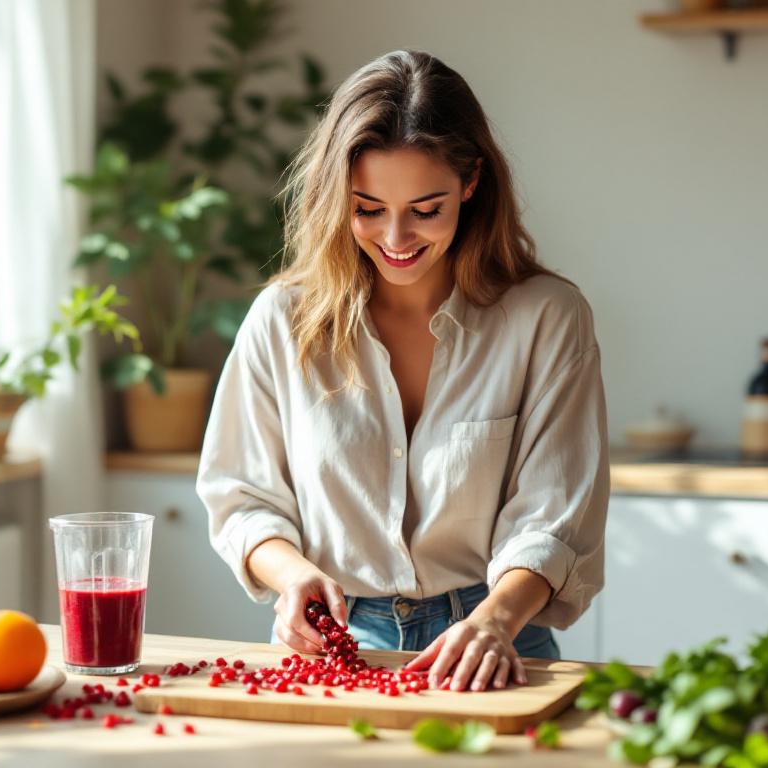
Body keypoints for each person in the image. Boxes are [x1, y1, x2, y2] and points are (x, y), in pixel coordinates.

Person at [197, 49, 609, 693]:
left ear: (471, 183)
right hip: (334, 641)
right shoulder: (282, 319)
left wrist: (493, 620)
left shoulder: (547, 317)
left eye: (425, 209)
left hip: (494, 637)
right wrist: (292, 576)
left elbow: (555, 515)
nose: (395, 238)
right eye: (367, 208)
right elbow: (241, 497)